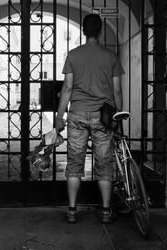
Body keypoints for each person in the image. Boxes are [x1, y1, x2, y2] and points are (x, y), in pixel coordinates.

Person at [55, 13, 124, 224]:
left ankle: (72, 210)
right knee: (105, 164)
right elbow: (117, 90)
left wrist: (59, 116)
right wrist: (118, 116)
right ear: (101, 31)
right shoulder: (111, 56)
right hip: (103, 117)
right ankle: (105, 211)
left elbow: (67, 87)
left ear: (84, 31)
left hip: (76, 115)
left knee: (75, 163)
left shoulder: (73, 55)